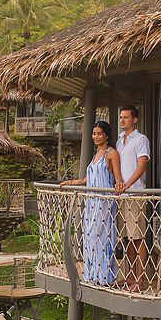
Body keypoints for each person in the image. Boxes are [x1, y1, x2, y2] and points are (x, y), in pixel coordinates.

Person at [60, 121, 123, 286]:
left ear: (107, 135)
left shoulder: (111, 153)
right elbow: (88, 179)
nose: (96, 136)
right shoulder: (96, 155)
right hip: (91, 203)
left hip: (104, 203)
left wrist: (119, 187)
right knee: (90, 238)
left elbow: (118, 179)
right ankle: (92, 274)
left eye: (99, 133)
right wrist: (71, 182)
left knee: (102, 237)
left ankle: (105, 276)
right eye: (94, 133)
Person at [114, 105, 150, 292]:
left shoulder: (141, 139)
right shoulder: (120, 141)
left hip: (135, 194)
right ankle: (129, 277)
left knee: (138, 238)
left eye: (126, 117)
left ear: (134, 120)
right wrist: (120, 184)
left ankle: (140, 280)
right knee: (127, 238)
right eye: (121, 117)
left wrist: (127, 184)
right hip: (122, 195)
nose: (122, 120)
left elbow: (142, 165)